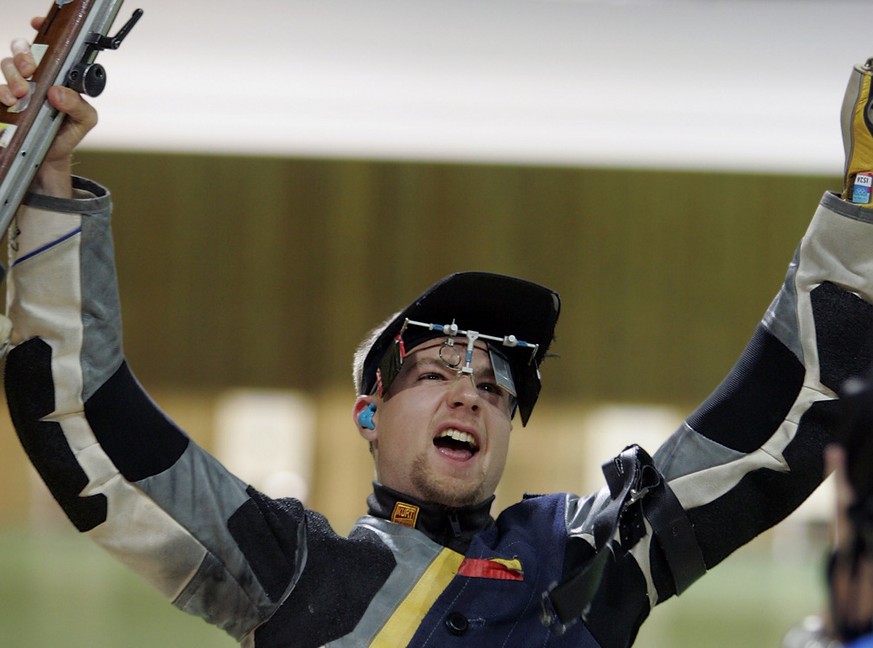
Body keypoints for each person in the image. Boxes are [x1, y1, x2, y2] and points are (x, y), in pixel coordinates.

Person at [4, 16, 873, 647]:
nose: (469, 389)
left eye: (495, 387)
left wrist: (865, 200)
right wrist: (50, 183)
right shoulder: (299, 571)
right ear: (367, 415)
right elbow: (85, 420)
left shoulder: (585, 557)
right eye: (430, 374)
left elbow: (778, 419)